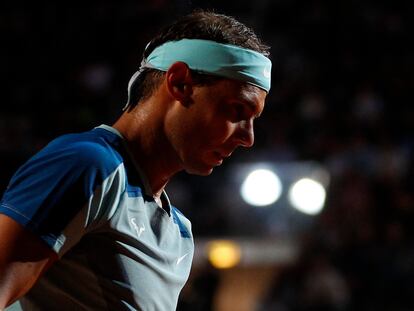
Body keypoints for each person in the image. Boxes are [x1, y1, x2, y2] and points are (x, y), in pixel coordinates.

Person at [0, 10, 271, 311]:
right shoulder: (89, 165)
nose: (248, 138)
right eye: (237, 111)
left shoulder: (180, 231)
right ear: (180, 83)